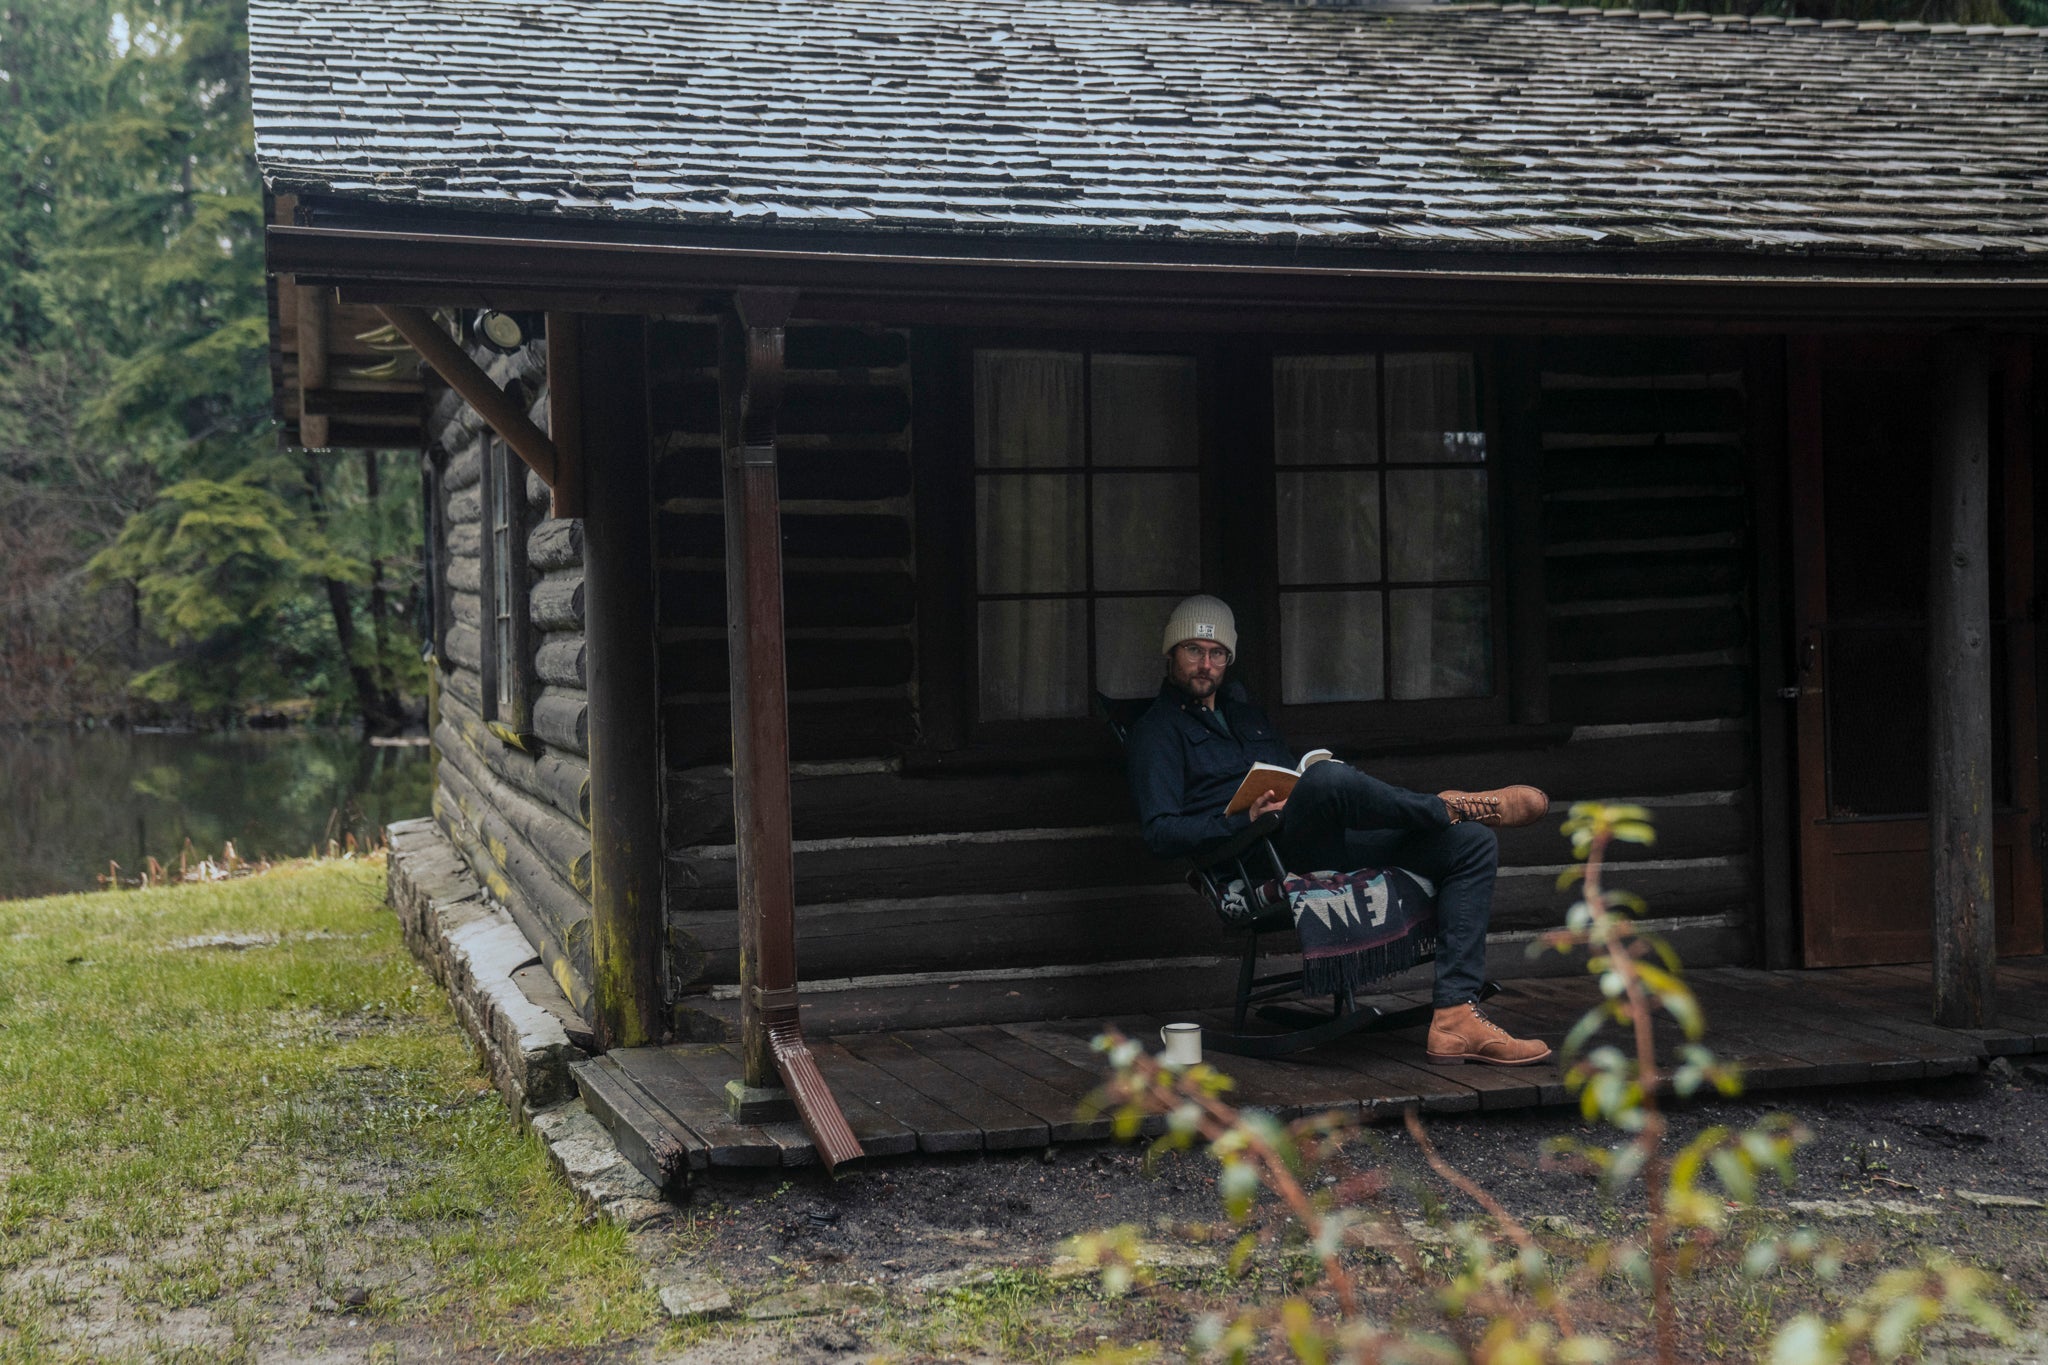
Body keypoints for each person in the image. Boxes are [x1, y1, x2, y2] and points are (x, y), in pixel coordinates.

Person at [1124, 594, 1553, 1067]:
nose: (1206, 664)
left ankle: (1455, 1017)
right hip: (1258, 856)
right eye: (1193, 651)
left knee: (1471, 843)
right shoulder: (1156, 732)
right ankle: (1441, 807)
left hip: (1315, 838)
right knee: (1329, 782)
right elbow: (1161, 834)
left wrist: (1299, 785)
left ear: (1229, 658)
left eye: (1217, 653)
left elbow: (1286, 777)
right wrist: (1240, 820)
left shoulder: (1247, 717)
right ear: (1170, 654)